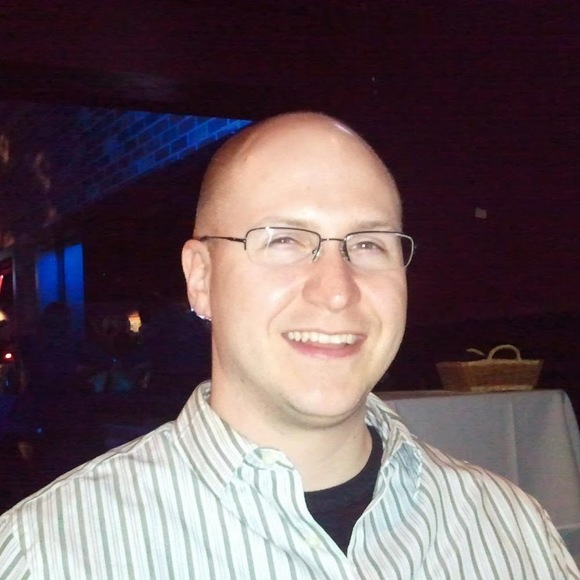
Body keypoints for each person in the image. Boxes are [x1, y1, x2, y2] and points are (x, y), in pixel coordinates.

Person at [0, 112, 578, 579]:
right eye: (284, 240)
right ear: (201, 278)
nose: (337, 289)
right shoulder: (48, 554)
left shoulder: (510, 528)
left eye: (368, 244)